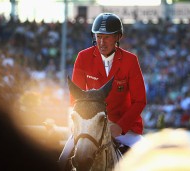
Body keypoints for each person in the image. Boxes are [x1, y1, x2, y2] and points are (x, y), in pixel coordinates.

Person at [58, 12, 147, 169]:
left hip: (123, 128)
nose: (101, 41)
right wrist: (86, 123)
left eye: (107, 37)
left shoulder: (130, 60)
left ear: (117, 37)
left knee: (148, 158)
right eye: (98, 36)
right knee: (62, 160)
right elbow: (75, 98)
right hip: (90, 125)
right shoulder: (83, 57)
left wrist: (120, 126)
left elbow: (139, 100)